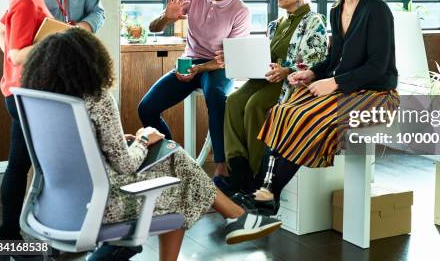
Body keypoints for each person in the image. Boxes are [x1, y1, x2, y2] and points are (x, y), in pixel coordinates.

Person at [20, 29, 282, 261]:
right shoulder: (98, 99)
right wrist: (144, 139)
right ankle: (237, 216)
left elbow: (76, 148)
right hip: (105, 205)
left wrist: (119, 142)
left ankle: (236, 216)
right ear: (90, 62)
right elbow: (125, 164)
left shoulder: (44, 102)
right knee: (178, 185)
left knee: (172, 154)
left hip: (55, 204)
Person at [238, 0, 400, 214]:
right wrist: (312, 73)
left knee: (307, 117)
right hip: (347, 89)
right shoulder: (337, 10)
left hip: (377, 94)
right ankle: (261, 190)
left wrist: (333, 83)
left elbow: (377, 67)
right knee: (282, 111)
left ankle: (268, 195)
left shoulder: (377, 9)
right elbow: (334, 59)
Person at [138, 0, 250, 181]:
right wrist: (166, 18)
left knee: (216, 96)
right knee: (146, 108)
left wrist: (200, 71)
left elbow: (229, 59)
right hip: (190, 61)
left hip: (217, 67)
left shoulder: (240, 11)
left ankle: (221, 166)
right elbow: (153, 28)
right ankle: (173, 157)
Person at [222, 0, 328, 195]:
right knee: (232, 101)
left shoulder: (315, 21)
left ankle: (254, 175)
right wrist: (242, 61)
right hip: (265, 78)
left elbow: (317, 59)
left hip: (289, 82)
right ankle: (238, 167)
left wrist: (286, 69)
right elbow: (263, 56)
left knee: (255, 105)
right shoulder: (275, 24)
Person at [0, 0, 56, 248]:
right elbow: (18, 52)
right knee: (32, 164)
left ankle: (12, 234)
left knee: (21, 163)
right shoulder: (25, 0)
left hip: (20, 94)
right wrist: (51, 40)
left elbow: (0, 31)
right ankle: (33, 232)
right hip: (24, 96)